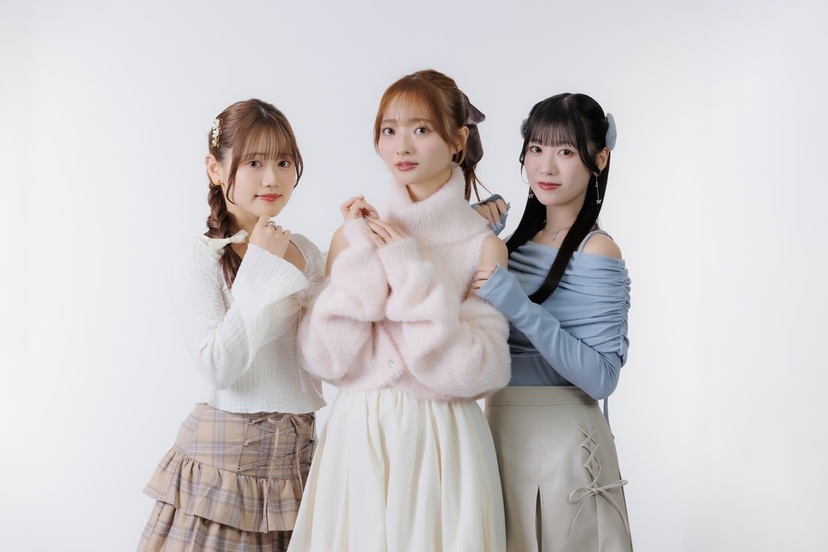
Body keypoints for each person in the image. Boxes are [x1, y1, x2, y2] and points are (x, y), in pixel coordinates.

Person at [287, 69, 511, 552]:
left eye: (421, 129)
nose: (401, 146)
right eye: (389, 130)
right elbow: (325, 360)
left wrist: (409, 271)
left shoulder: (484, 247)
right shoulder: (352, 234)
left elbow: (483, 371)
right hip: (358, 435)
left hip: (443, 441)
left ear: (458, 140)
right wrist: (363, 256)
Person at [138, 99, 326, 552]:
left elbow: (328, 353)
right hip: (226, 468)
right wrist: (260, 264)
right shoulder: (198, 257)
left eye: (284, 162)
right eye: (254, 163)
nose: (272, 178)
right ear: (215, 168)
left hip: (299, 464)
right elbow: (219, 366)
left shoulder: (304, 250)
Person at [473, 93, 633, 551]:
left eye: (565, 151)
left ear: (599, 159)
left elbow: (601, 378)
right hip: (495, 433)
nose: (546, 166)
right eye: (536, 148)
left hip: (565, 446)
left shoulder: (597, 250)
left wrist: (518, 304)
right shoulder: (512, 245)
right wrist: (471, 239)